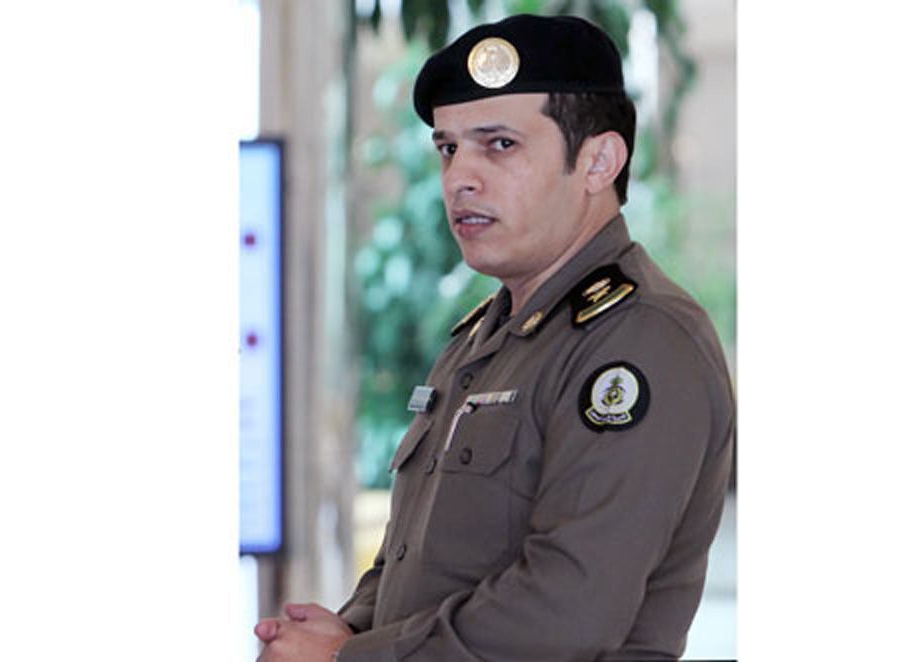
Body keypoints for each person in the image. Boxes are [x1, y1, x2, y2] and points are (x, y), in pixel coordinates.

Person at [255, 14, 734, 662]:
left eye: (500, 145)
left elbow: (566, 612)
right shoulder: (484, 339)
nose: (460, 177)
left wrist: (350, 658)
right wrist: (341, 632)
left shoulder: (639, 340)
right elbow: (411, 563)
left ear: (599, 162)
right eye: (449, 148)